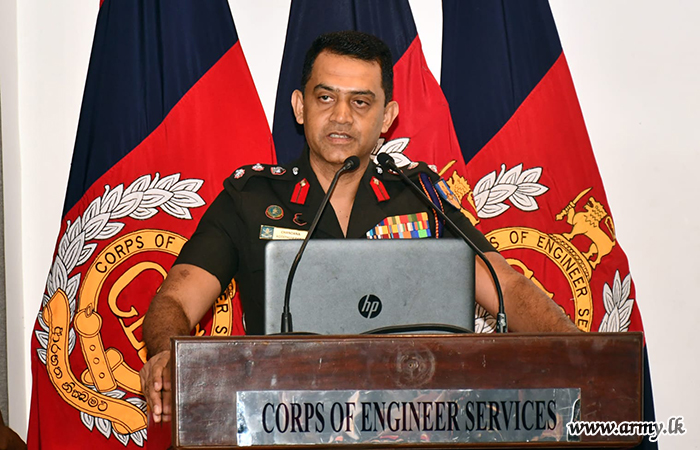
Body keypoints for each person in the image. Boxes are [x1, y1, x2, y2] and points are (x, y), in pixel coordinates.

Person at [139, 30, 579, 424]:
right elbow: (175, 299)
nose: (342, 116)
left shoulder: (419, 198)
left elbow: (505, 286)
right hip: (282, 422)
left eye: (361, 102)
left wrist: (581, 352)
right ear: (300, 106)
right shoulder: (250, 200)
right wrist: (166, 355)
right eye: (325, 98)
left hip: (412, 425)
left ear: (387, 117)